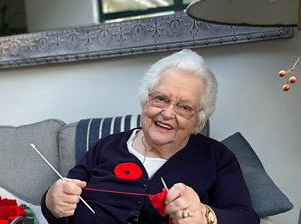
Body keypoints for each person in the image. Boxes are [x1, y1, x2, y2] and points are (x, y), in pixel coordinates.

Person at [41, 49, 259, 224]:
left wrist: (205, 216)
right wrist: (51, 200)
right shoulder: (106, 146)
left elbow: (246, 218)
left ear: (198, 119)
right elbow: (62, 201)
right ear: (146, 99)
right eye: (161, 99)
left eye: (184, 107)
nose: (167, 113)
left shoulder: (216, 157)